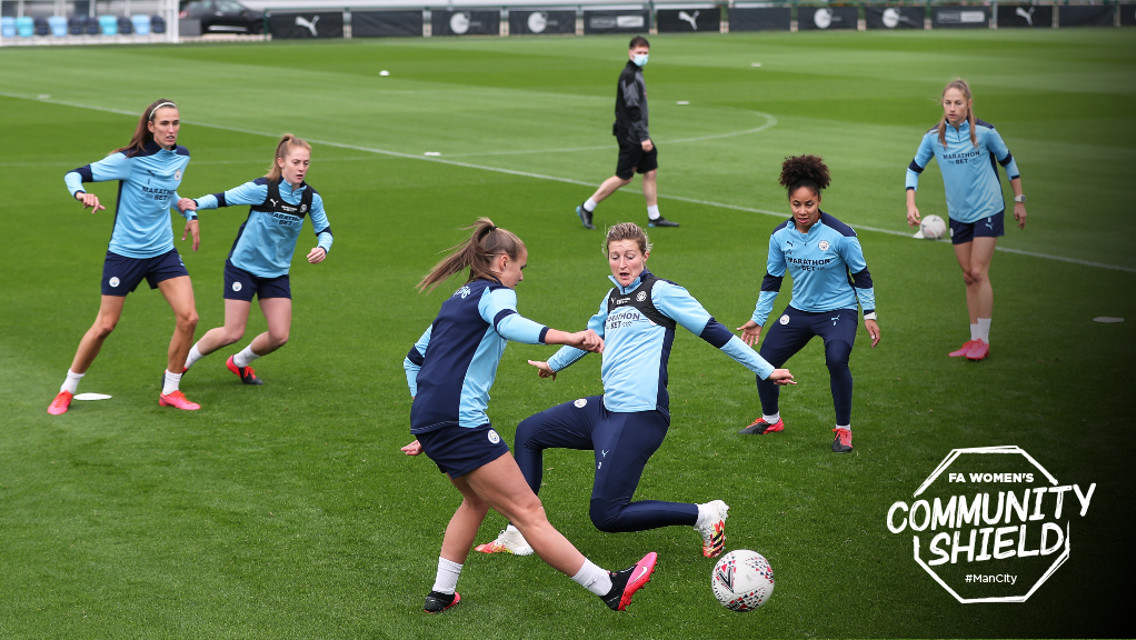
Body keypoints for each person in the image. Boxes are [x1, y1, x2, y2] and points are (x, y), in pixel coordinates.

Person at [474, 222, 794, 559]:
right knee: (529, 432)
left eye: (630, 256)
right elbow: (589, 336)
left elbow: (714, 332)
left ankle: (704, 515)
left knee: (606, 515)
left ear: (645, 255)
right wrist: (554, 364)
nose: (622, 264)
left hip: (640, 415)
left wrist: (766, 369)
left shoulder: (662, 292)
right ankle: (519, 533)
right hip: (607, 410)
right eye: (615, 257)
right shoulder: (613, 297)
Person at [400, 218, 657, 614]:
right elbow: (509, 324)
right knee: (529, 512)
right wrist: (569, 337)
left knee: (474, 500)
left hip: (432, 422)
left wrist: (427, 423)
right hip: (461, 424)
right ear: (503, 262)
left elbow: (413, 361)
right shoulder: (494, 293)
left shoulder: (456, 300)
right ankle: (608, 587)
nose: (521, 277)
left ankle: (442, 592)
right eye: (521, 267)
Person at [48, 98, 201, 415]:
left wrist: (188, 212)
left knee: (189, 318)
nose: (171, 129)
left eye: (175, 123)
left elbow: (165, 190)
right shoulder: (128, 160)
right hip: (125, 253)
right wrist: (81, 193)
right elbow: (73, 174)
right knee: (105, 326)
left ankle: (170, 390)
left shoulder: (181, 157)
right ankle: (66, 390)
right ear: (151, 126)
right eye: (164, 123)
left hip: (162, 252)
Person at [737, 155, 879, 454]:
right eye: (796, 204)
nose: (802, 211)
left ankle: (843, 430)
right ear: (789, 203)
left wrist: (869, 314)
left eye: (809, 204)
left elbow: (862, 275)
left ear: (819, 201)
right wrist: (758, 319)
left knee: (837, 359)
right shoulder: (780, 236)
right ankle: (771, 420)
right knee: (764, 361)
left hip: (838, 310)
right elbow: (772, 279)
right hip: (800, 311)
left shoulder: (841, 235)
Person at [178, 134, 332, 384]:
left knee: (280, 336)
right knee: (232, 332)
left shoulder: (310, 199)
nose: (301, 168)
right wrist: (194, 203)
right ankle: (180, 364)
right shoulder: (263, 189)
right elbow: (223, 198)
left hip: (276, 273)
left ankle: (239, 362)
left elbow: (324, 230)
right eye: (296, 162)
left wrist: (323, 247)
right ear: (281, 162)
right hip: (243, 268)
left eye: (306, 163)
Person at [905, 79, 1027, 361]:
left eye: (958, 103)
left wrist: (1019, 201)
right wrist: (911, 203)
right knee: (968, 275)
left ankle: (983, 340)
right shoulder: (933, 137)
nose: (952, 108)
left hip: (988, 209)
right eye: (948, 102)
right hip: (959, 215)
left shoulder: (985, 133)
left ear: (968, 104)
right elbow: (913, 169)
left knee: (979, 271)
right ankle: (973, 339)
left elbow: (1008, 161)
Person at [575, 36, 679, 231]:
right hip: (631, 134)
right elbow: (632, 108)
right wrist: (643, 137)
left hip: (637, 132)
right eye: (639, 52)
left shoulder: (636, 73)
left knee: (650, 170)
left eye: (645, 53)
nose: (643, 56)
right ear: (630, 53)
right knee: (624, 177)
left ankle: (654, 216)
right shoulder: (629, 76)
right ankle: (586, 207)